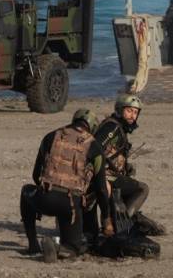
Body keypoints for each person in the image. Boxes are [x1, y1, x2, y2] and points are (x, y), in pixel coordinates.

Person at [20, 109, 114, 263]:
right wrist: (106, 219)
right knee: (73, 248)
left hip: (45, 199)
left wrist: (46, 192)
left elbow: (36, 175)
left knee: (26, 191)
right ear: (92, 127)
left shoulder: (51, 136)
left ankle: (33, 245)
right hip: (70, 205)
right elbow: (101, 189)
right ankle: (59, 249)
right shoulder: (95, 146)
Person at [96, 95, 165, 236]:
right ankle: (121, 225)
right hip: (103, 176)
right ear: (120, 110)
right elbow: (95, 149)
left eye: (135, 112)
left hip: (107, 174)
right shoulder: (113, 128)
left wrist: (125, 166)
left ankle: (125, 221)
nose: (132, 116)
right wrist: (103, 175)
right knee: (142, 189)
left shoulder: (118, 127)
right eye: (129, 111)